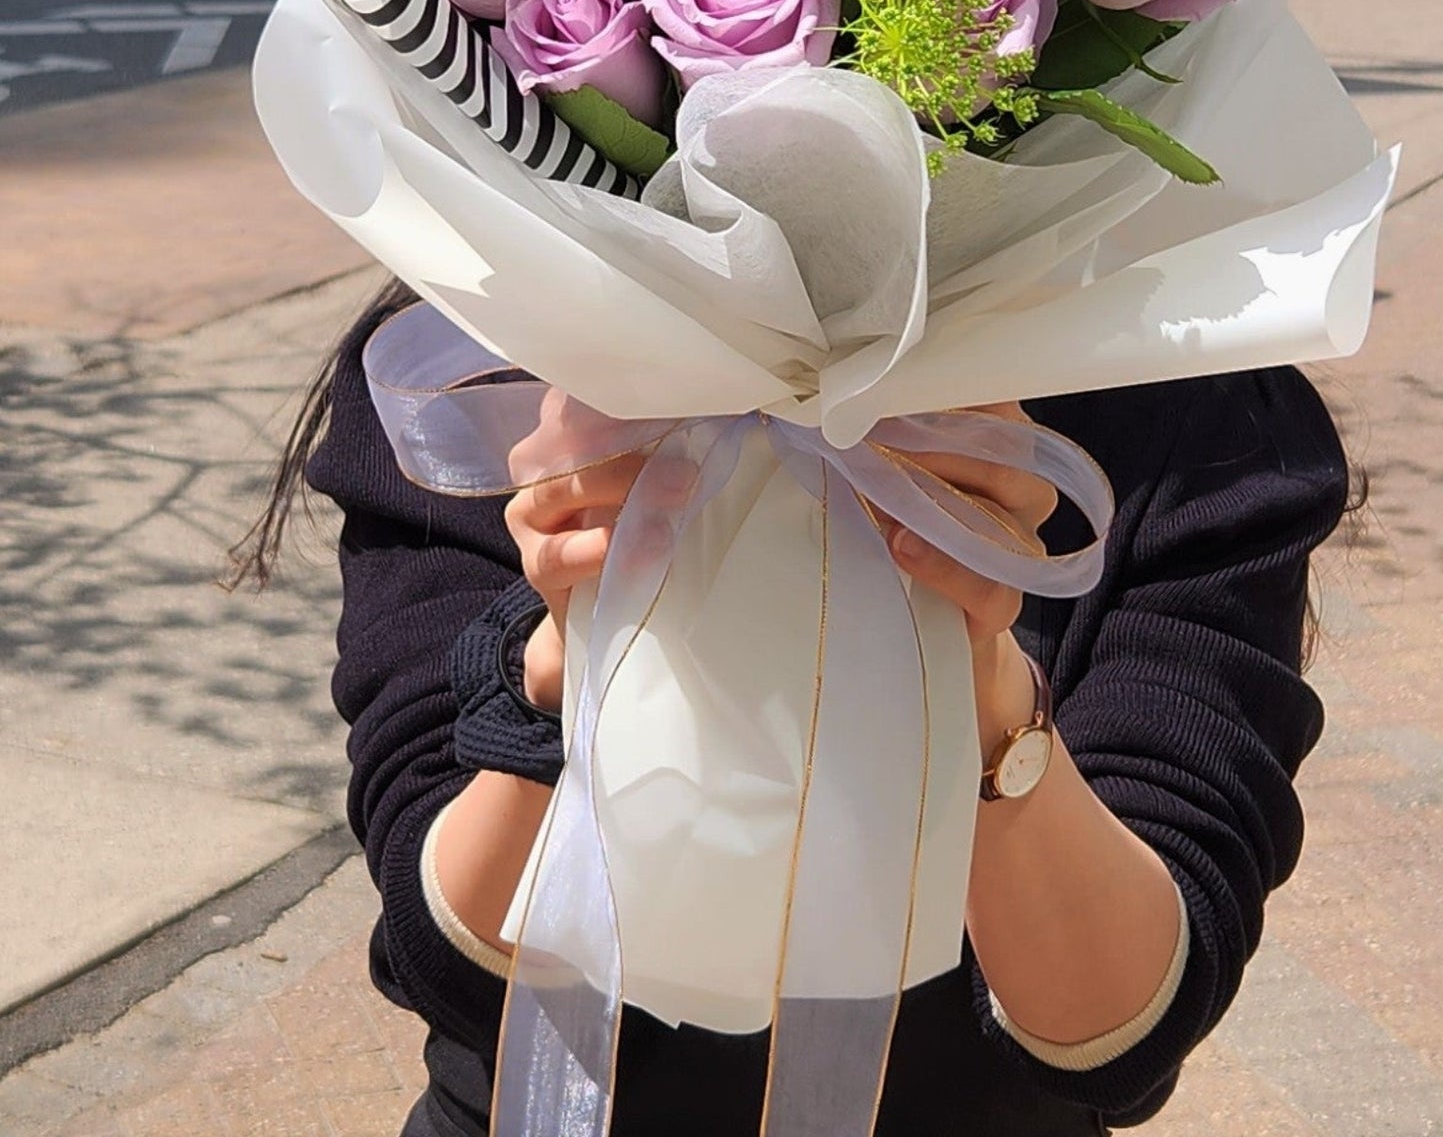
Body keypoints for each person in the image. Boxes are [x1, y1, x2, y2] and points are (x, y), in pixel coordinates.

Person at [235, 279, 1354, 1137]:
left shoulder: (1172, 404)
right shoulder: (489, 373)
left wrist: (976, 673)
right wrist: (576, 642)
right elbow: (451, 958)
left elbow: (1118, 1029)